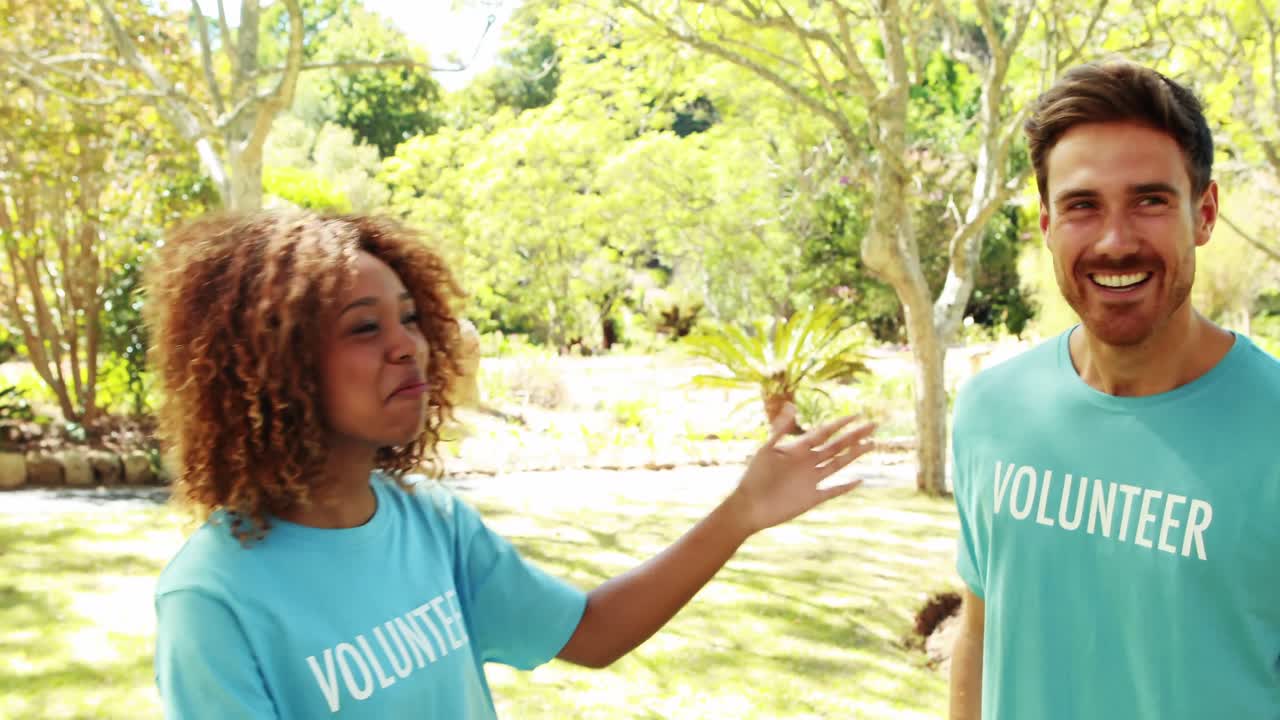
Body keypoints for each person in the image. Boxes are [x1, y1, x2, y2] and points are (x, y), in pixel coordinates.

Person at [146, 211, 876, 719]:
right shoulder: (213, 598)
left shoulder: (430, 524)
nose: (409, 346)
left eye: (409, 318)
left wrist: (742, 511)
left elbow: (590, 633)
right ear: (274, 368)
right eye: (365, 327)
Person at [948, 59, 1280, 719]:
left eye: (1150, 200)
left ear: (1204, 213)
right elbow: (982, 630)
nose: (1116, 240)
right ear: (1046, 224)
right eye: (1082, 206)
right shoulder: (991, 410)